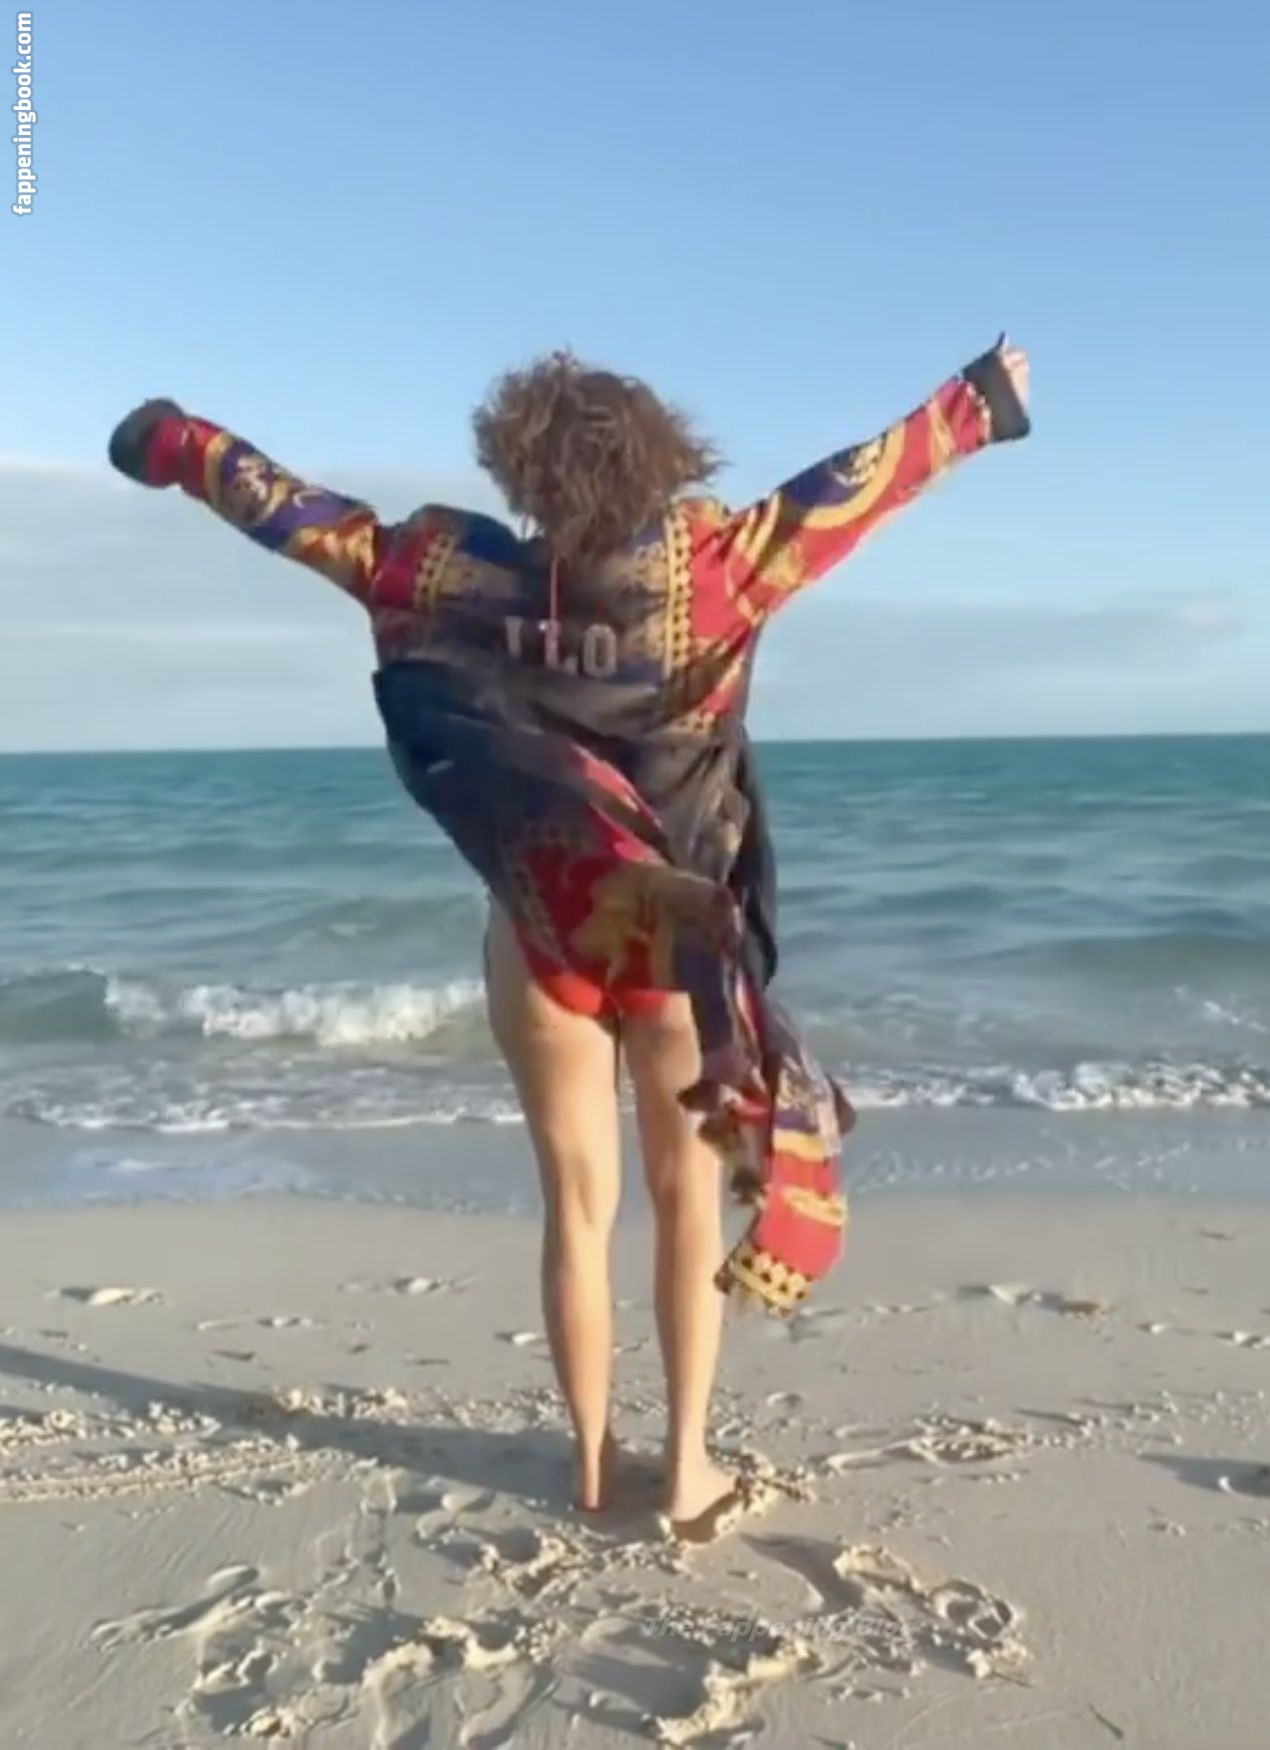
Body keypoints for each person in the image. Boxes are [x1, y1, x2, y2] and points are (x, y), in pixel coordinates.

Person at [108, 337, 1030, 1535]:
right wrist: (980, 401)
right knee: (684, 1202)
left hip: (541, 933)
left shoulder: (446, 577)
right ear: (659, 459)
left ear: (521, 465)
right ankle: (685, 1470)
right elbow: (860, 482)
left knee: (576, 1210)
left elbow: (302, 518)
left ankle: (591, 1466)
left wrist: (175, 445)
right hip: (676, 946)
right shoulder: (716, 569)